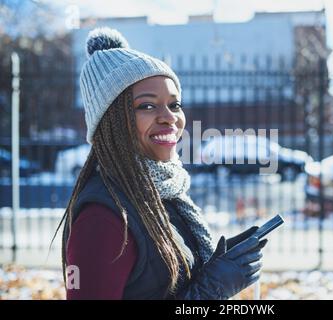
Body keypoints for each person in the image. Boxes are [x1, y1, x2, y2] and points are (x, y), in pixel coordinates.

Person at [55, 27, 267, 300]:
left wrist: (216, 268)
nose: (170, 118)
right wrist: (211, 291)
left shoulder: (163, 194)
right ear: (113, 122)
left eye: (174, 104)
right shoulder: (102, 218)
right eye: (147, 106)